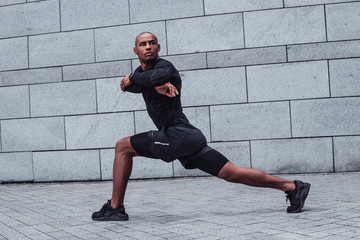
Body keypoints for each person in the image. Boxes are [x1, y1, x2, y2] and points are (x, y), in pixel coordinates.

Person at [92, 32, 311, 221]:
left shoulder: (165, 67)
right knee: (232, 173)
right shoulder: (144, 76)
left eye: (152, 43)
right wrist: (143, 81)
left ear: (158, 47)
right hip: (188, 137)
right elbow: (127, 87)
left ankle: (115, 207)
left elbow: (150, 77)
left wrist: (135, 78)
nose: (148, 46)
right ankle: (292, 186)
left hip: (177, 135)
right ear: (135, 50)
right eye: (143, 44)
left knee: (122, 147)